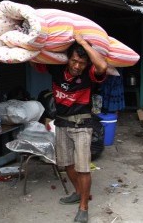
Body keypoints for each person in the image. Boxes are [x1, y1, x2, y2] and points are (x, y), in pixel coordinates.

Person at [32, 35, 107, 223]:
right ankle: (79, 193)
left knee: (83, 168)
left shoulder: (89, 74)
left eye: (81, 62)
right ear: (67, 58)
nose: (76, 66)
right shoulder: (56, 68)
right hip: (62, 123)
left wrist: (82, 43)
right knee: (66, 164)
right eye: (74, 60)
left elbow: (103, 67)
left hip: (82, 124)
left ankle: (84, 207)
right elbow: (36, 61)